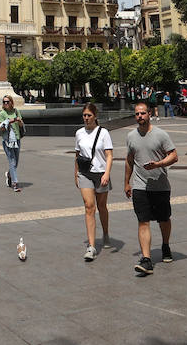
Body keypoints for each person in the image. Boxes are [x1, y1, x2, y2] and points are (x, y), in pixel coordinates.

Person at [124, 101, 178, 275]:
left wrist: (158, 164)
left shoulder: (161, 135)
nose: (140, 116)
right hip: (140, 185)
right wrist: (127, 182)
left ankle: (165, 245)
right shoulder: (131, 136)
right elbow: (129, 160)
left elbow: (174, 156)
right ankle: (146, 259)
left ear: (149, 114)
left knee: (164, 219)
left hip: (160, 185)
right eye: (137, 114)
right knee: (143, 221)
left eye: (143, 113)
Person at [74, 102, 114, 261]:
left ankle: (105, 233)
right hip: (85, 173)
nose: (86, 118)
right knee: (89, 206)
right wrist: (75, 173)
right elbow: (77, 155)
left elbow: (109, 155)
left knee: (102, 207)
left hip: (101, 173)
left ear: (95, 116)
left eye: (89, 115)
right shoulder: (79, 133)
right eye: (84, 115)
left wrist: (106, 173)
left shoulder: (103, 133)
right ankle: (91, 246)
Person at [0, 95, 25, 192]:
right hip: (7, 141)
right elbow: (1, 128)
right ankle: (15, 183)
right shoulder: (2, 113)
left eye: (7, 101)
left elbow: (21, 124)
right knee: (12, 161)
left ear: (11, 102)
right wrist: (8, 122)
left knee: (16, 162)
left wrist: (19, 121)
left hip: (17, 139)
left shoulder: (16, 111)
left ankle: (9, 174)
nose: (5, 103)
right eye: (4, 102)